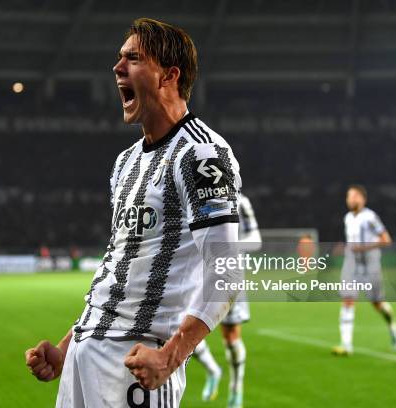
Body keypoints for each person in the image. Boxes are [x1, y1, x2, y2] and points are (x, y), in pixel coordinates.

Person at [25, 18, 243, 407]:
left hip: (135, 361)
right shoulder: (125, 163)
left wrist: (170, 357)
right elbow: (120, 267)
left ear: (168, 75)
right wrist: (66, 347)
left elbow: (226, 271)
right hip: (84, 355)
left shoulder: (202, 154)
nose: (117, 67)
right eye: (118, 58)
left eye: (133, 58)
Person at [192, 193, 260, 408]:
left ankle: (236, 389)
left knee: (231, 337)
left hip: (230, 276)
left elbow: (256, 240)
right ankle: (213, 370)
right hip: (197, 276)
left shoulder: (242, 202)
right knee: (181, 329)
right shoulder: (197, 201)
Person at [332, 184, 396, 356]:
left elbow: (386, 240)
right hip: (352, 265)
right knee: (348, 300)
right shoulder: (347, 218)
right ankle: (346, 345)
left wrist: (363, 248)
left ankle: (392, 326)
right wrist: (345, 248)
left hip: (370, 266)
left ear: (363, 199)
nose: (351, 199)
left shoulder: (370, 217)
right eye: (349, 196)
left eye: (355, 196)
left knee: (377, 303)